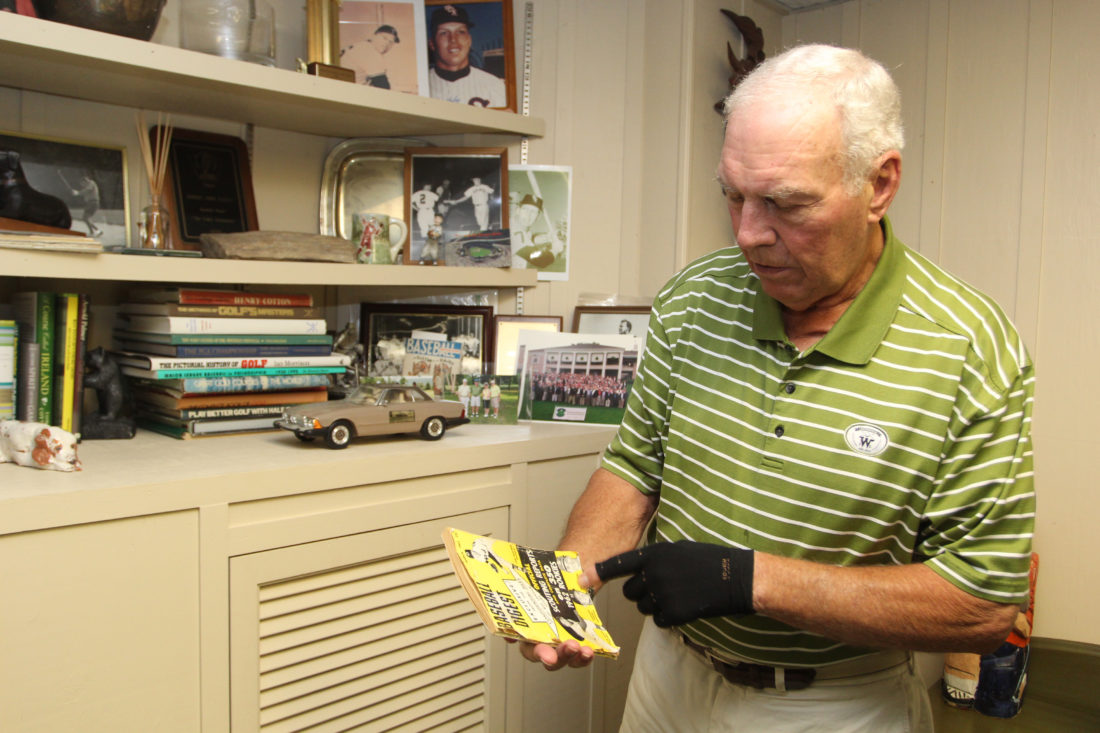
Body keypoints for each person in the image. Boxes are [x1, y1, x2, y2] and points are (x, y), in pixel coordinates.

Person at [518, 44, 1036, 732]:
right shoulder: (694, 299)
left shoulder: (969, 347)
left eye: (786, 204)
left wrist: (748, 580)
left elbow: (983, 601)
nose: (749, 235)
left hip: (833, 703)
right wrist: (564, 592)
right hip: (667, 677)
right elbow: (635, 465)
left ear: (879, 185)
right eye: (732, 194)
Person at [427, 4, 506, 108]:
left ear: (469, 40)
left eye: (461, 32)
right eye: (444, 33)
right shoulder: (420, 84)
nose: (453, 39)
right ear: (432, 43)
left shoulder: (494, 85)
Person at [340, 24, 400, 88]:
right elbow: (383, 86)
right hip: (347, 89)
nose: (386, 43)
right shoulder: (370, 52)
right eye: (384, 38)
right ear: (374, 36)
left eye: (391, 42)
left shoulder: (362, 45)